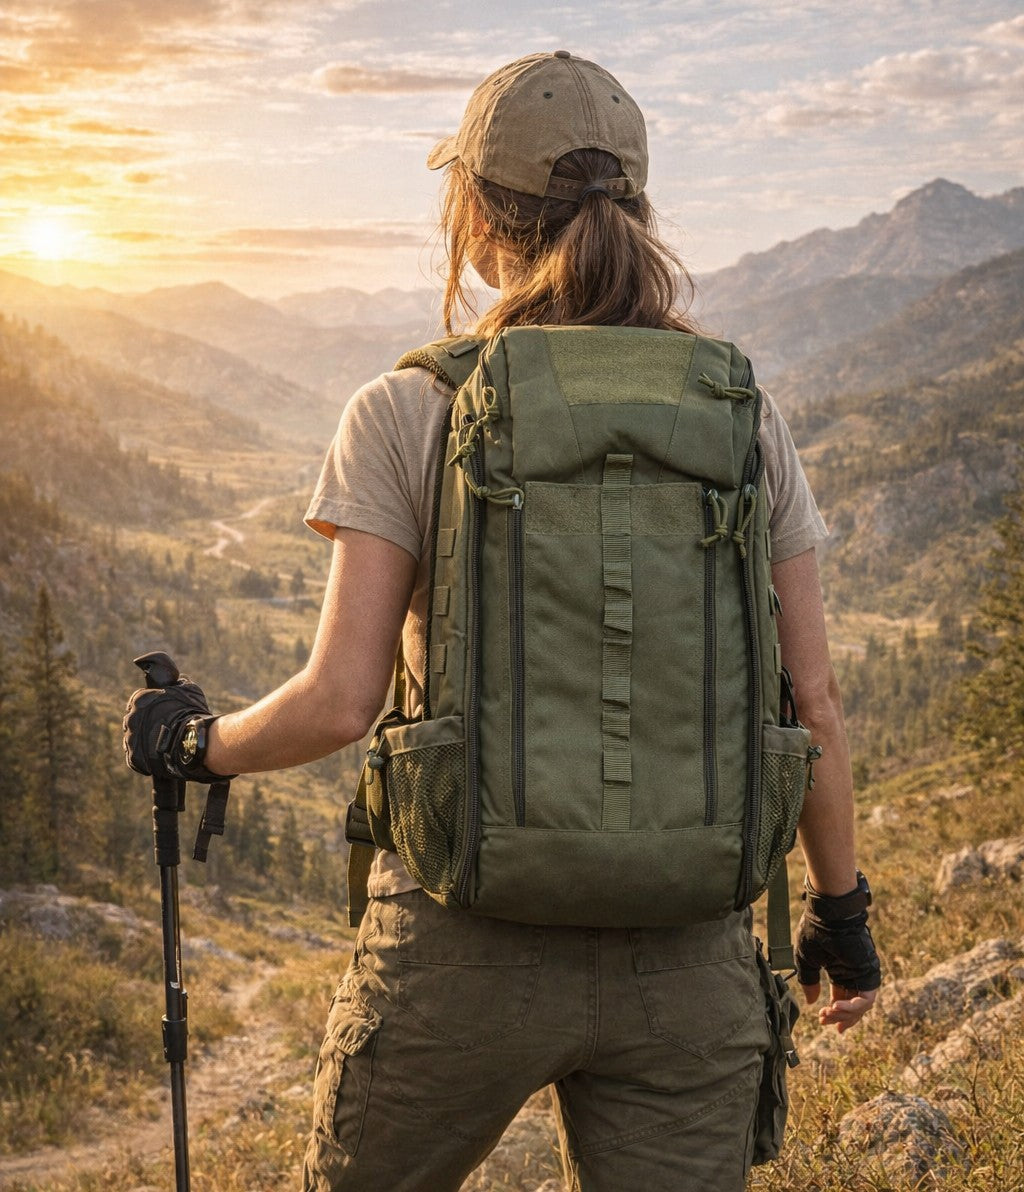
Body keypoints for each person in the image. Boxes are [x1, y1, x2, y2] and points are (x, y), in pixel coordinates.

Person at [124, 50, 880, 1192]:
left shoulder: (409, 406)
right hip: (684, 957)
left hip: (457, 942)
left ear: (478, 215)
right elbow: (810, 700)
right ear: (638, 206)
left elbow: (340, 701)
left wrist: (195, 741)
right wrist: (843, 912)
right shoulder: (741, 415)